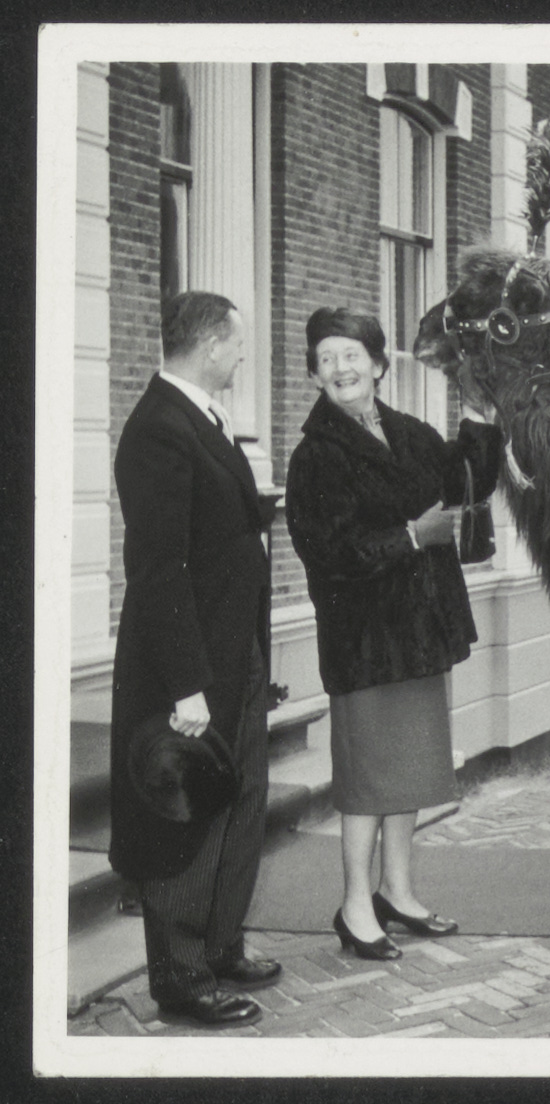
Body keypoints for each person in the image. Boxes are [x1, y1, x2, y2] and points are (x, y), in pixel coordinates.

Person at [286, 307, 501, 960]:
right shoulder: (315, 456)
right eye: (327, 359)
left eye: (352, 355)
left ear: (379, 365)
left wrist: (479, 408)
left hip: (417, 635)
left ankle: (397, 891)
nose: (341, 368)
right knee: (368, 781)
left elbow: (466, 482)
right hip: (365, 643)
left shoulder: (408, 433)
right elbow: (329, 554)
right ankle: (355, 907)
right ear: (315, 375)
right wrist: (411, 536)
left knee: (407, 773)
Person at [109, 291, 275, 1027]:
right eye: (237, 344)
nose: (241, 356)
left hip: (235, 651)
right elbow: (157, 569)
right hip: (190, 666)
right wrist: (186, 687)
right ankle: (179, 978)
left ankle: (219, 945)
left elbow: (217, 531)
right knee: (188, 812)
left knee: (242, 799)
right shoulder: (159, 429)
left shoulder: (203, 418)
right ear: (209, 346)